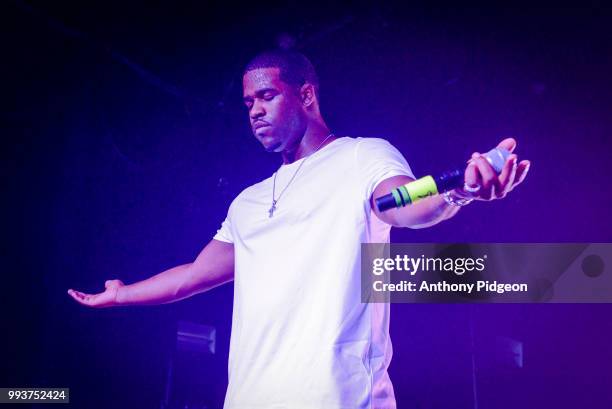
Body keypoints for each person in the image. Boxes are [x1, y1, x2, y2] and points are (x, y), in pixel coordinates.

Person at [68, 49, 530, 408]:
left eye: (267, 96)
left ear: (306, 95)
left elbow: (405, 206)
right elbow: (192, 275)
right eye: (248, 102)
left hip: (340, 398)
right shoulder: (246, 204)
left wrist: (460, 193)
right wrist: (123, 294)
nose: (254, 111)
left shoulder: (361, 156)